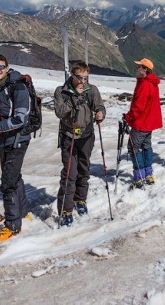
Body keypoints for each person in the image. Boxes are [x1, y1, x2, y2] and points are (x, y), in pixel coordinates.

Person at [0, 54, 33, 243]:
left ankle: (12, 225)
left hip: (18, 139)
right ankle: (21, 211)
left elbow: (20, 118)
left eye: (0, 67)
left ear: (7, 67)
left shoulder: (17, 87)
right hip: (5, 139)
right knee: (14, 176)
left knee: (8, 181)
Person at [53, 61, 105, 226]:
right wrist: (74, 96)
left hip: (86, 135)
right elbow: (60, 112)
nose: (83, 81)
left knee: (84, 169)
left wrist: (101, 114)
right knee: (70, 173)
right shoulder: (61, 91)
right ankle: (65, 209)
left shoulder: (92, 90)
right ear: (72, 75)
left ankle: (80, 200)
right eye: (79, 77)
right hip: (69, 136)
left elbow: (100, 106)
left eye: (85, 77)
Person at [123, 58, 162, 188]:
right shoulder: (152, 83)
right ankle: (148, 174)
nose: (137, 68)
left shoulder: (145, 84)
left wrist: (128, 118)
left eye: (139, 66)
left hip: (141, 123)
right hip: (149, 123)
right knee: (146, 147)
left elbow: (138, 107)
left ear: (145, 69)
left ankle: (139, 177)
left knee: (133, 149)